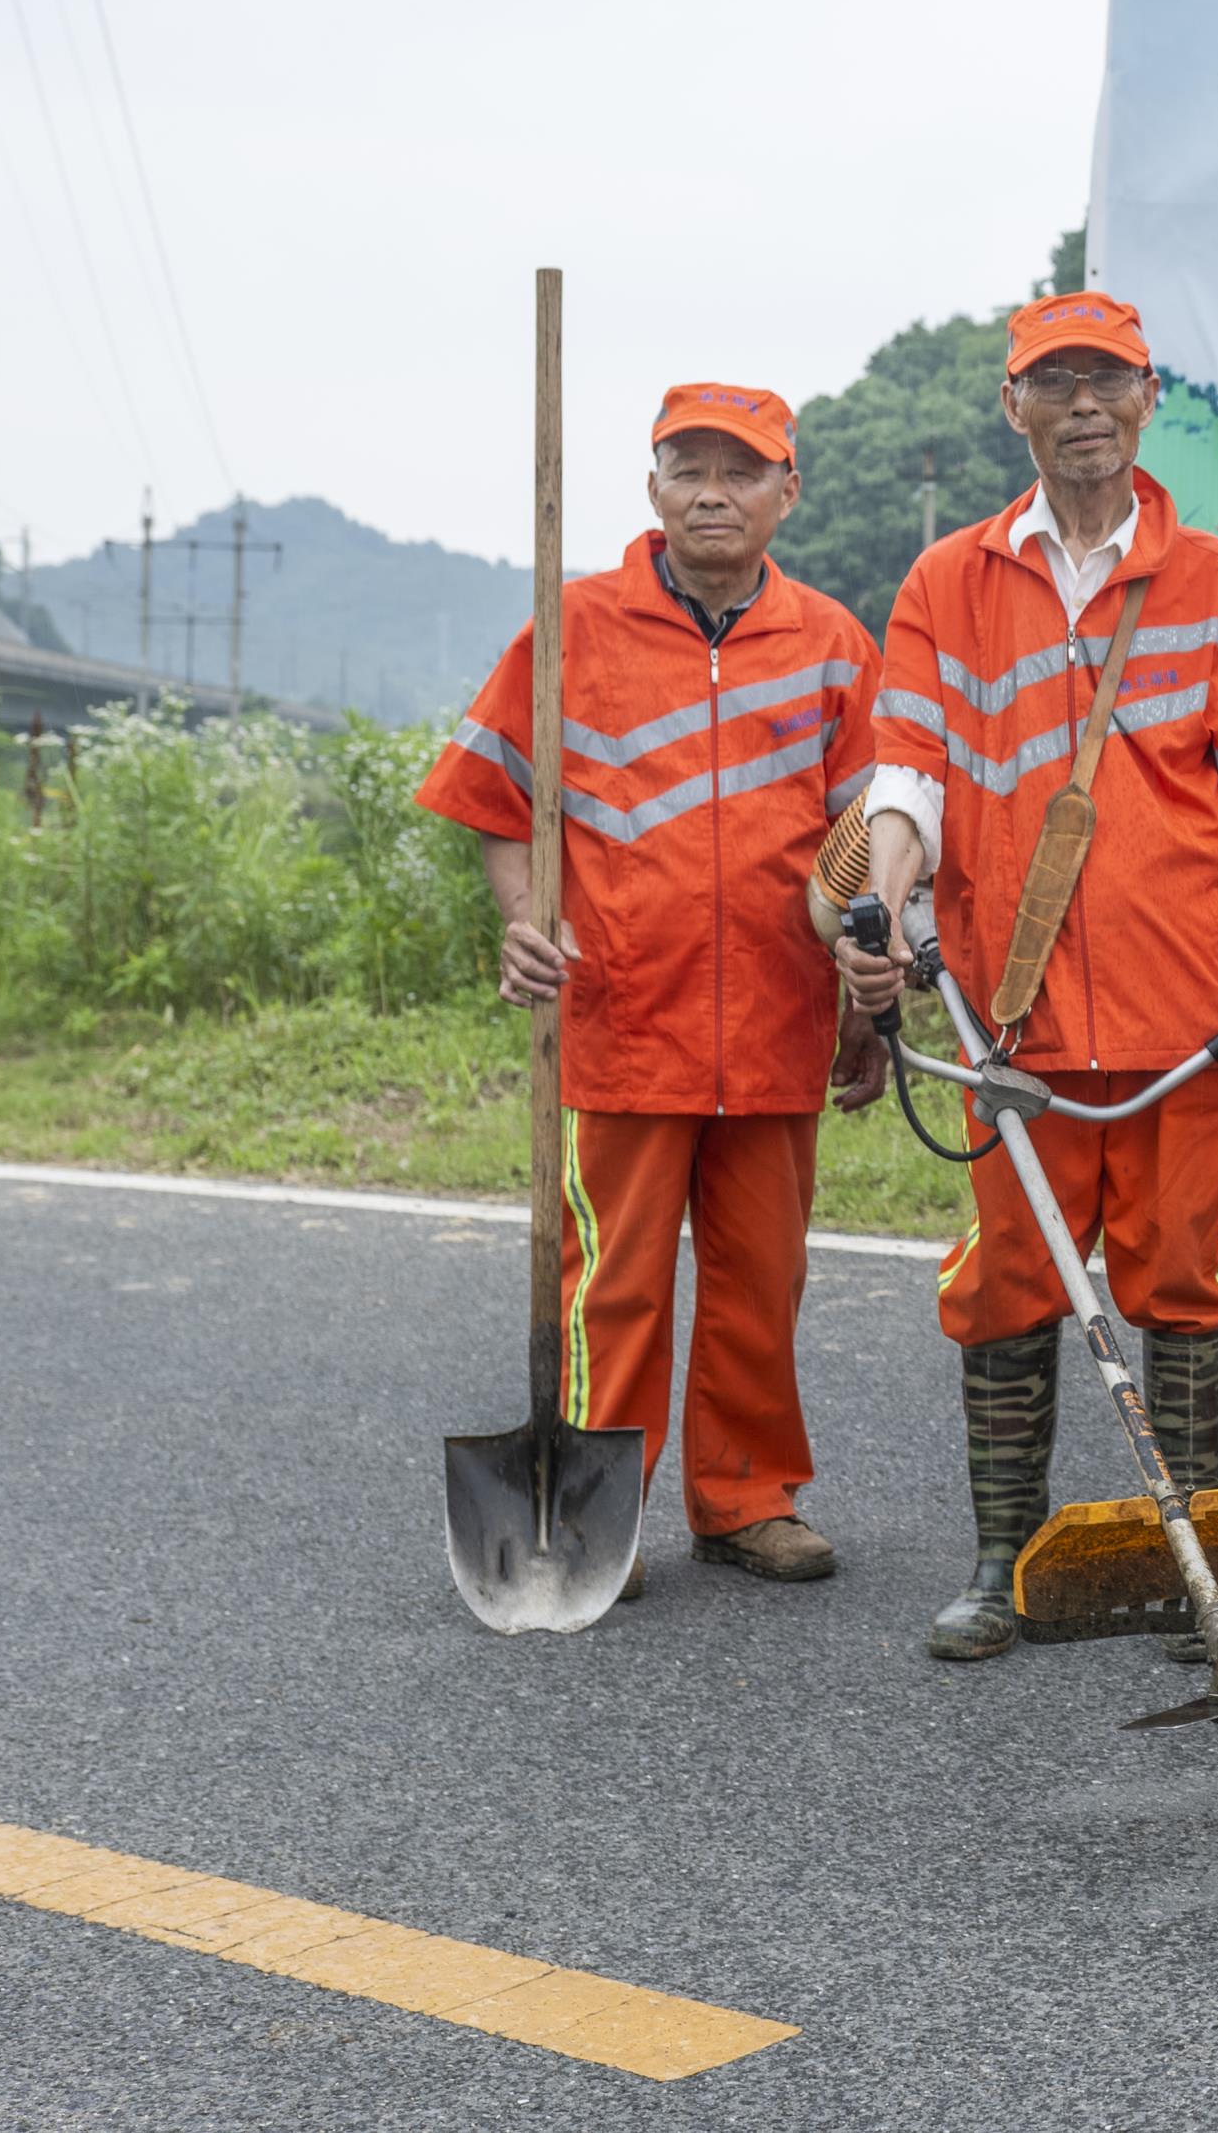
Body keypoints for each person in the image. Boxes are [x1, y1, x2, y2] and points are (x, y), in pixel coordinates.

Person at [834, 291, 1218, 1662]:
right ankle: (1006, 1558)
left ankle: (1187, 1559)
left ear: (1146, 393)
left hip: (1187, 1006)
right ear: (1015, 407)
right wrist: (881, 909)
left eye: (1105, 379)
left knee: (1180, 1275)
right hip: (1016, 1010)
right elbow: (911, 772)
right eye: (1054, 382)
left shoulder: (1214, 580)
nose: (1083, 404)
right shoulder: (948, 582)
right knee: (1007, 1276)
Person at [417, 381, 887, 1595]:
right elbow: (494, 799)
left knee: (762, 1275)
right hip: (623, 1016)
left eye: (741, 471)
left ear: (790, 490)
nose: (713, 492)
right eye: (688, 467)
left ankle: (746, 1499)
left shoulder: (834, 643)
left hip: (779, 1020)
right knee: (614, 1279)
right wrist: (524, 921)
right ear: (652, 488)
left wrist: (868, 1000)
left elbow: (874, 845)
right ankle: (594, 1509)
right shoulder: (570, 628)